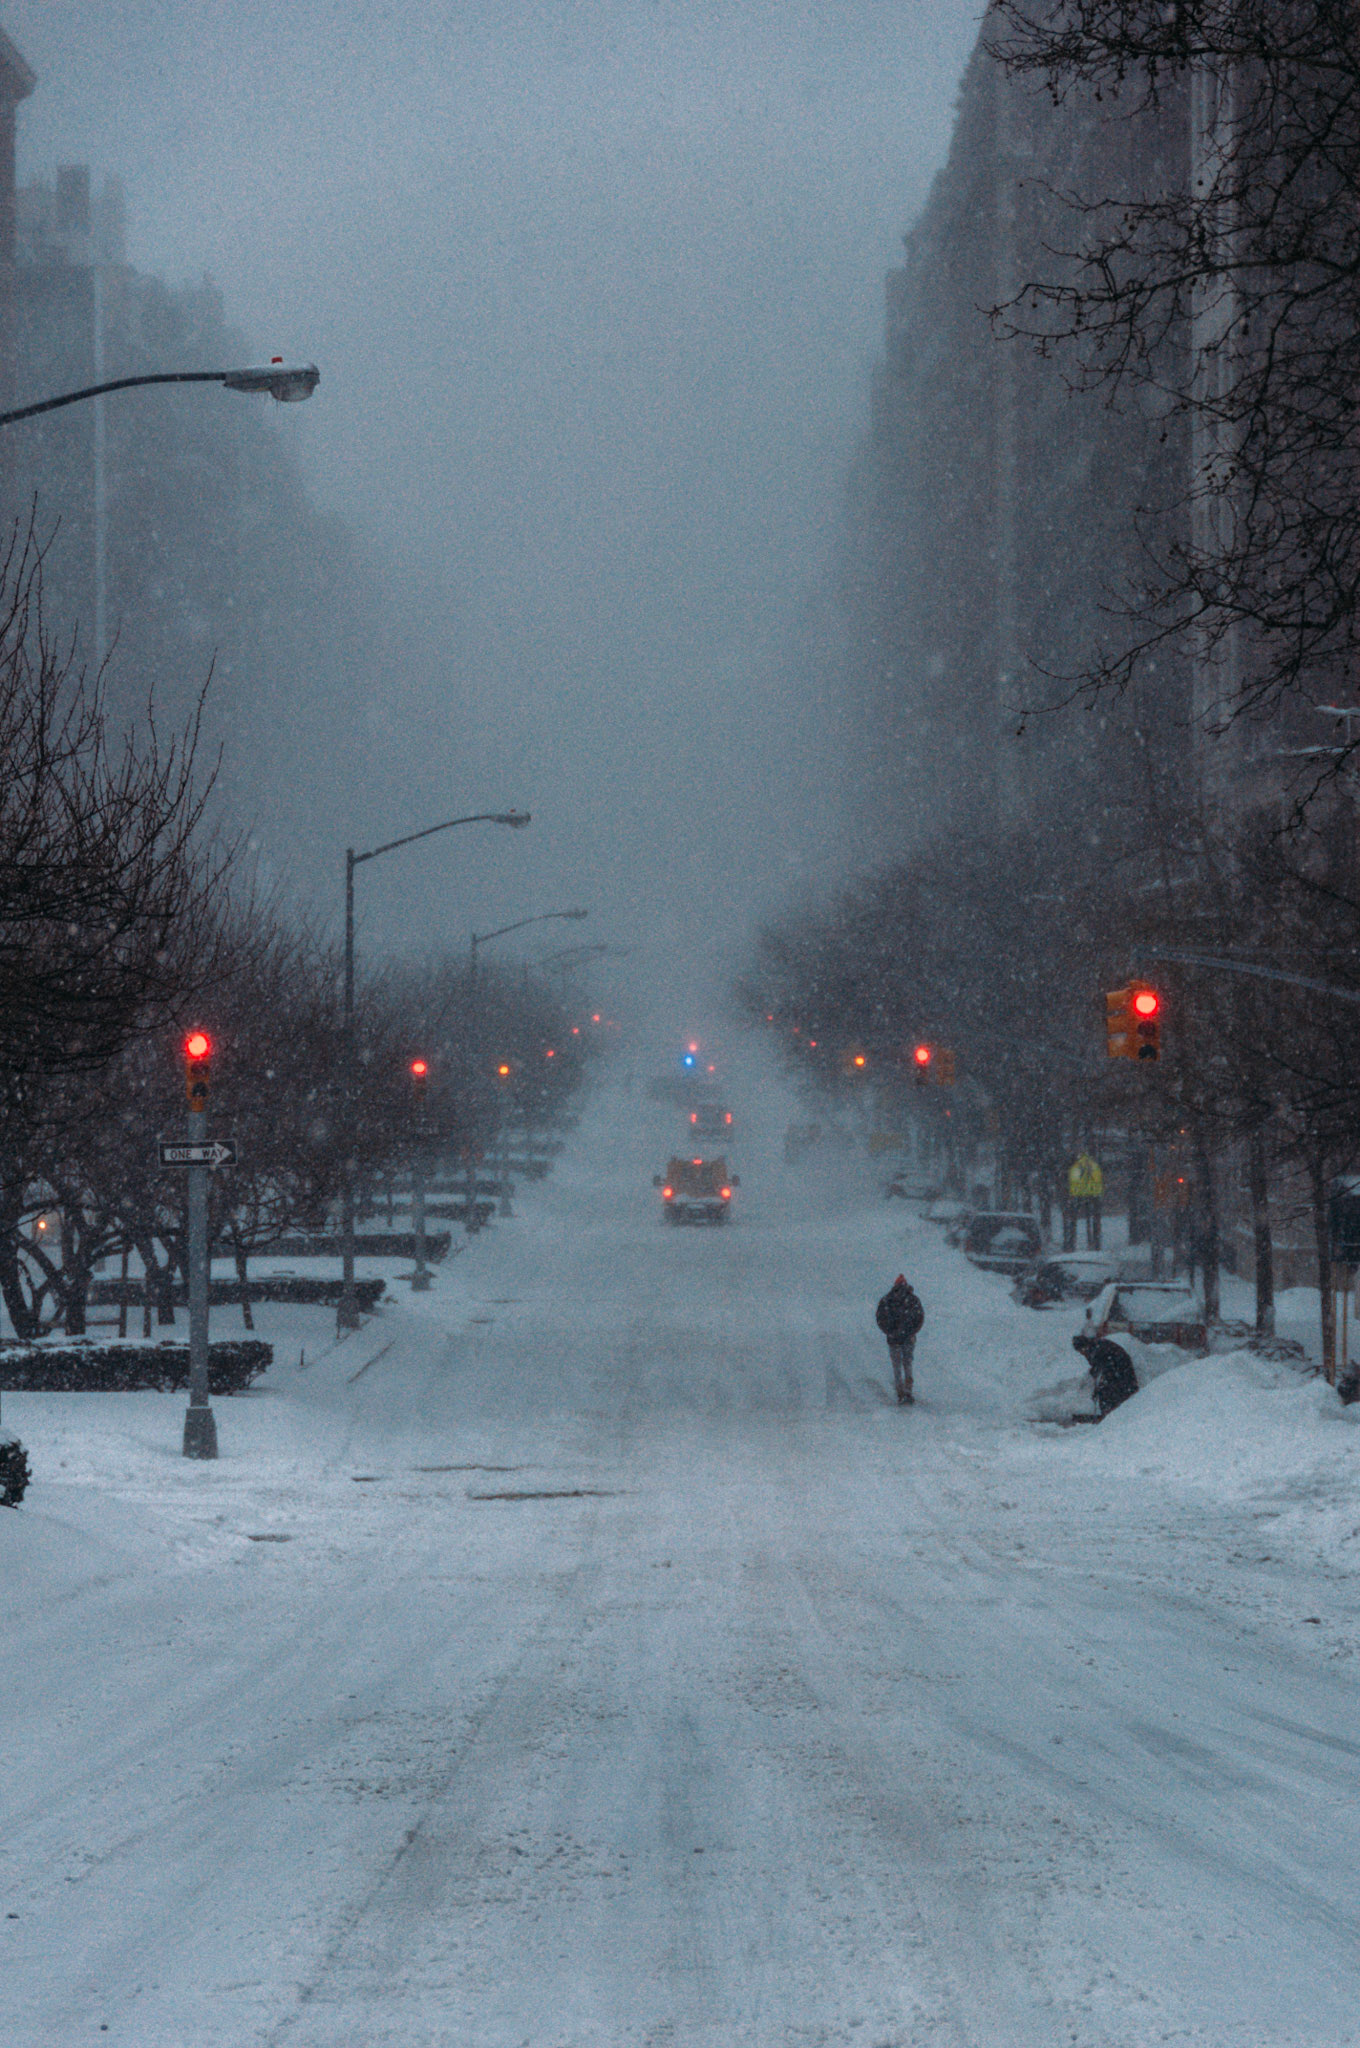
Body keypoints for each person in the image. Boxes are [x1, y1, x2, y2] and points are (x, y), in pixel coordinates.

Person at [875, 1274, 925, 1405]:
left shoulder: (887, 1300)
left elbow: (880, 1318)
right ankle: (908, 1390)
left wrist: (889, 1332)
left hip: (893, 1339)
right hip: (908, 1338)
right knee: (907, 1363)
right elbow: (920, 1318)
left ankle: (900, 1392)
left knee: (896, 1365)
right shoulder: (913, 1300)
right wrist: (911, 1332)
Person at [1071, 1331, 1138, 1420]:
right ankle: (1110, 1415)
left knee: (1109, 1392)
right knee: (1107, 1390)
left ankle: (1111, 1417)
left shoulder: (1098, 1350)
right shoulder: (1095, 1347)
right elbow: (1097, 1369)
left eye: (1081, 1350)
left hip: (1122, 1371)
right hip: (1119, 1371)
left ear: (1084, 1346)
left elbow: (1105, 1369)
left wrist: (1099, 1386)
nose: (1081, 1353)